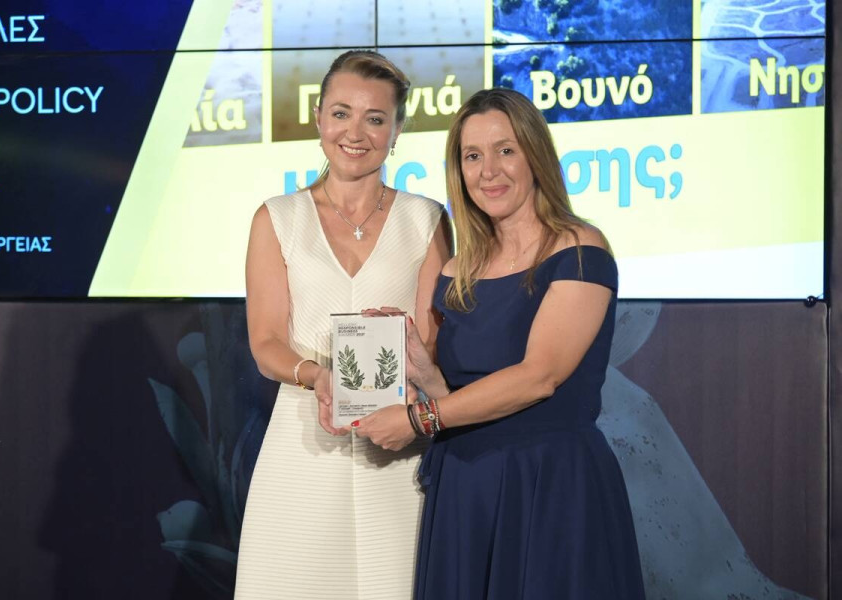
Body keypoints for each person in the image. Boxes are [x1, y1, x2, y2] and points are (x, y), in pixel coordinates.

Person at [354, 88, 646, 599]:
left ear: (535, 155)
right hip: (466, 487)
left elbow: (539, 377)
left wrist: (420, 419)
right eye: (472, 156)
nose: (488, 170)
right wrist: (425, 372)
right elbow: (462, 396)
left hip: (551, 487)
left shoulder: (580, 248)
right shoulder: (457, 269)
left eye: (505, 150)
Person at [234, 50, 450, 600]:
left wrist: (410, 392)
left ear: (397, 131)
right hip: (302, 450)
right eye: (341, 113)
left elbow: (432, 344)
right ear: (318, 118)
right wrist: (319, 377)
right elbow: (265, 342)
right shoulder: (277, 217)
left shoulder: (426, 219)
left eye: (375, 118)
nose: (355, 133)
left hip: (397, 452)